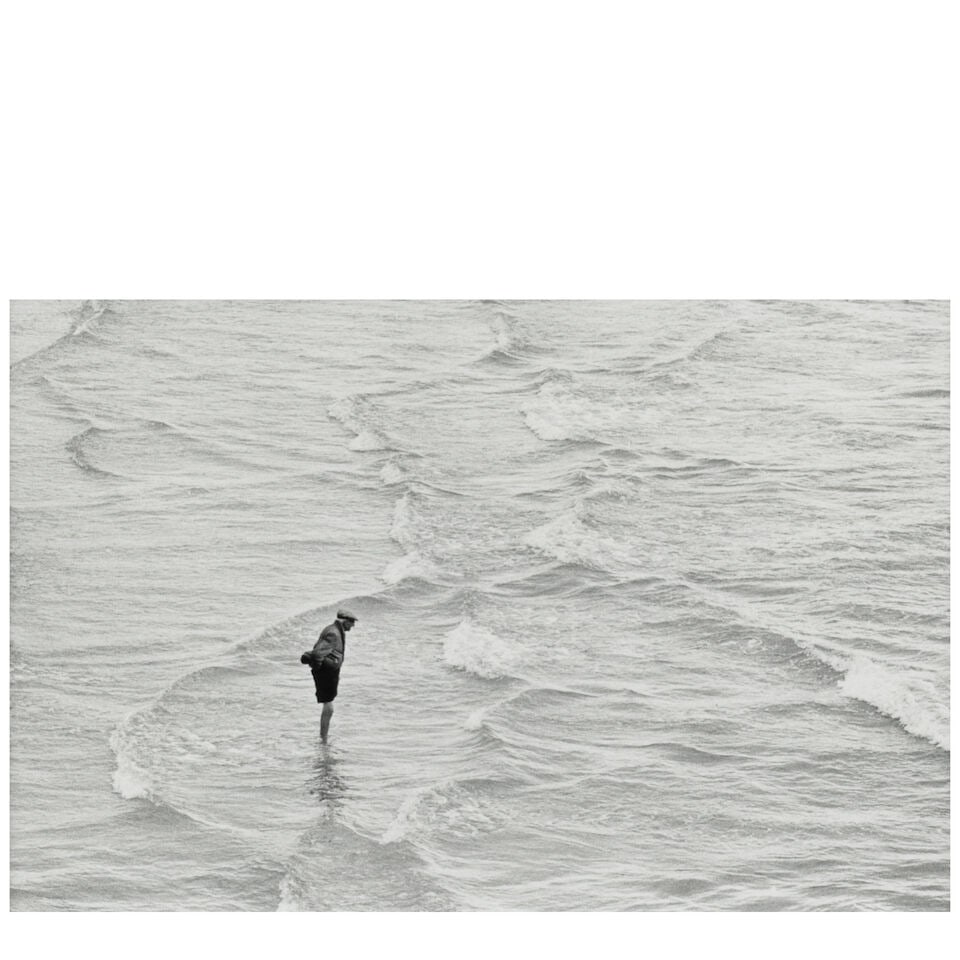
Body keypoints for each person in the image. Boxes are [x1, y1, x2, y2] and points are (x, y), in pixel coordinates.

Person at [301, 609, 357, 741]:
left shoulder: (335, 630)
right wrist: (320, 669)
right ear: (344, 621)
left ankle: (323, 737)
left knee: (329, 706)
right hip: (326, 674)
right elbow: (316, 653)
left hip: (329, 673)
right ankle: (323, 739)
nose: (353, 625)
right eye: (352, 622)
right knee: (329, 707)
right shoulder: (333, 633)